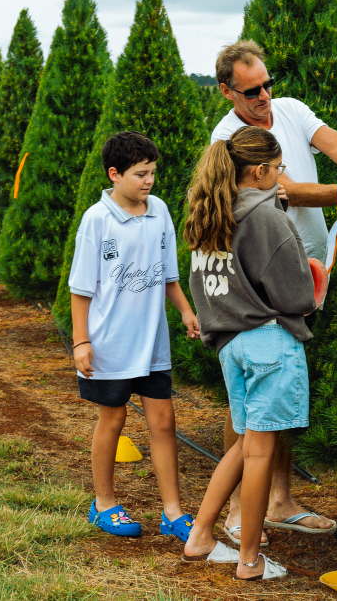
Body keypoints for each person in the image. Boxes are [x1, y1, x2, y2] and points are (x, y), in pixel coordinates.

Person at [210, 40, 337, 546]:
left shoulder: (290, 110)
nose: (264, 96)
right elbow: (281, 188)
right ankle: (237, 511)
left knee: (280, 387)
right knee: (249, 393)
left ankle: (279, 501)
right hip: (260, 279)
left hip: (304, 271)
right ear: (226, 92)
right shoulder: (229, 137)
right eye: (251, 90)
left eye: (267, 84)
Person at [181, 125, 316, 581]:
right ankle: (250, 560)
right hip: (268, 343)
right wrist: (314, 276)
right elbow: (297, 295)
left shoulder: (210, 213)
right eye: (278, 168)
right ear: (258, 170)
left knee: (244, 446)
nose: (280, 176)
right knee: (260, 452)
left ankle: (200, 535)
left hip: (231, 345)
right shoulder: (265, 216)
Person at [69, 131, 201, 542]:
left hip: (152, 343)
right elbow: (80, 288)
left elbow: (168, 275)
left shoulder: (159, 211)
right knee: (113, 418)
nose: (149, 181)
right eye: (141, 174)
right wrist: (81, 341)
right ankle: (104, 503)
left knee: (164, 421)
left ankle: (173, 512)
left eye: (152, 173)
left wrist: (186, 311)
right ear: (114, 174)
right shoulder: (97, 220)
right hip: (110, 344)